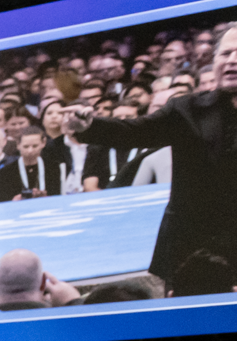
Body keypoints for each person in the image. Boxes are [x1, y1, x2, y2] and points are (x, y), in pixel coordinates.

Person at [62, 27, 237, 285]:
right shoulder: (187, 109)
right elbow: (134, 132)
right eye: (225, 54)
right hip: (191, 247)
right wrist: (89, 126)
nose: (231, 60)